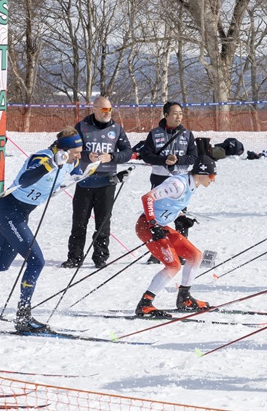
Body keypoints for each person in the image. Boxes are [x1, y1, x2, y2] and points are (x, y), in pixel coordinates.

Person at [0, 129, 90, 333]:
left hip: (20, 215)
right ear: (63, 151)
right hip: (8, 211)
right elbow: (25, 179)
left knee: (0, 263)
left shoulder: (71, 161)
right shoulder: (42, 158)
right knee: (36, 261)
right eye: (76, 152)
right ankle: (23, 316)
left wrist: (112, 177)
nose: (79, 155)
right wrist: (50, 164)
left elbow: (80, 175)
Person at [132, 156, 217, 318]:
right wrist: (153, 224)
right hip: (147, 226)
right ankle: (145, 304)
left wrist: (181, 217)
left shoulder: (192, 185)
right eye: (212, 176)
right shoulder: (178, 184)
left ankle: (184, 298)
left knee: (195, 256)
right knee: (173, 265)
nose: (213, 180)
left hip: (161, 226)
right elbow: (147, 198)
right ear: (202, 173)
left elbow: (169, 205)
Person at [64, 97, 133, 269]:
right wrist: (87, 155)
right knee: (79, 221)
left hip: (107, 181)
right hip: (85, 180)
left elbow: (127, 152)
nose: (107, 113)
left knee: (103, 222)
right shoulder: (82, 126)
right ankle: (74, 257)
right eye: (103, 110)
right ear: (94, 109)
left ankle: (100, 257)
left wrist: (112, 156)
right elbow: (71, 148)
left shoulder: (116, 129)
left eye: (109, 109)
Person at [139, 102, 198, 248]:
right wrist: (163, 160)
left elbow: (193, 157)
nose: (179, 117)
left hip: (180, 180)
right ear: (166, 115)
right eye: (175, 114)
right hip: (160, 178)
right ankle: (158, 250)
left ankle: (181, 250)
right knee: (158, 216)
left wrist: (178, 160)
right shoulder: (154, 133)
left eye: (181, 114)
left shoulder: (187, 134)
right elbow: (146, 156)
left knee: (181, 218)